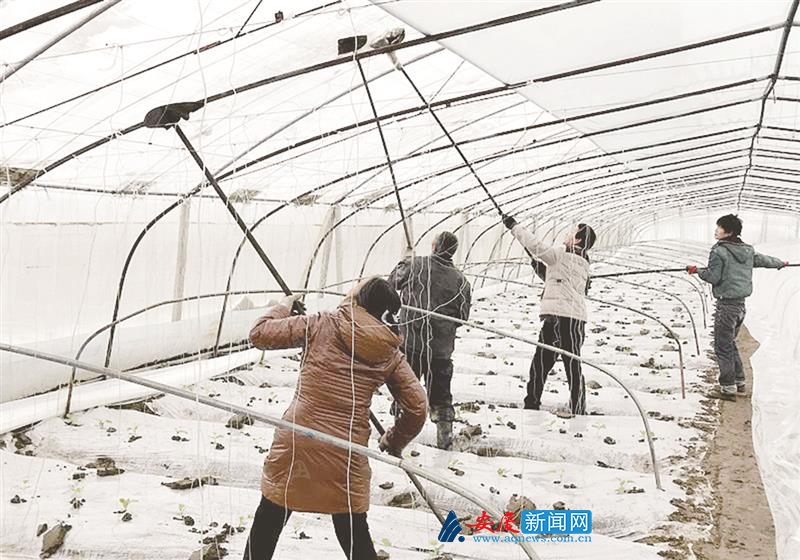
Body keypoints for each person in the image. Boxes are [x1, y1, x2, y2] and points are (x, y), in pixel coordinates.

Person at [244, 278, 427, 560]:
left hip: (297, 440)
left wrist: (284, 307)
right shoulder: (390, 352)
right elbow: (417, 408)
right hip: (347, 451)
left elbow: (259, 334)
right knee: (353, 529)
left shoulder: (319, 323)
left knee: (270, 516)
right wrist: (393, 441)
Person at [687, 214, 787, 401]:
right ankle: (739, 382)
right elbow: (764, 260)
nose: (716, 230)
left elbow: (713, 277)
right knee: (729, 343)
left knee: (722, 346)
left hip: (726, 306)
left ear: (729, 232)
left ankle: (728, 388)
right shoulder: (747, 251)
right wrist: (781, 263)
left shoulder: (719, 252)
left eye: (720, 227)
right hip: (740, 306)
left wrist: (697, 271)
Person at [502, 215, 596, 415]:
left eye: (572, 231)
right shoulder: (584, 262)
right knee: (573, 365)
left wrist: (514, 227)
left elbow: (535, 246)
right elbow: (561, 281)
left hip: (557, 318)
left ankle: (532, 403)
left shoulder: (561, 254)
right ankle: (578, 407)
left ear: (578, 239)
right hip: (576, 320)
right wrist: (542, 270)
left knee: (541, 364)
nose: (568, 233)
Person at [388, 231, 471, 450]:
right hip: (441, 350)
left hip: (410, 343)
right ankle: (444, 441)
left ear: (433, 246)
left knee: (405, 390)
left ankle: (397, 438)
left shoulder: (414, 265)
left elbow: (390, 286)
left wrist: (404, 263)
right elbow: (462, 317)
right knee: (441, 394)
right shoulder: (462, 281)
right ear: (452, 252)